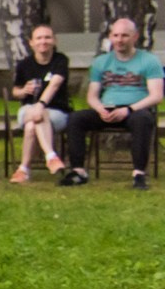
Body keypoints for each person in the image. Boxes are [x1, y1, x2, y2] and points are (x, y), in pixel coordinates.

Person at [60, 17, 164, 189]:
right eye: (115, 35)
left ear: (135, 37)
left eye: (124, 35)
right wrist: (100, 108)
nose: (119, 40)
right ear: (110, 37)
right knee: (76, 118)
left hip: (136, 110)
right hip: (107, 109)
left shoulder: (149, 61)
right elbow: (92, 95)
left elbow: (156, 95)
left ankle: (139, 174)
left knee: (143, 120)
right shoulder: (102, 62)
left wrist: (128, 109)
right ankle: (78, 171)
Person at [9, 23, 71, 183]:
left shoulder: (60, 60)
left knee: (32, 125)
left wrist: (40, 105)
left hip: (57, 112)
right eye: (39, 38)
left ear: (54, 40)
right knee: (35, 115)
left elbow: (55, 84)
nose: (43, 41)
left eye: (47, 37)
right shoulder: (24, 64)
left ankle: (23, 169)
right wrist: (24, 91)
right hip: (27, 109)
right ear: (31, 42)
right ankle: (51, 156)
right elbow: (15, 91)